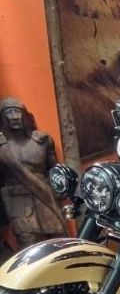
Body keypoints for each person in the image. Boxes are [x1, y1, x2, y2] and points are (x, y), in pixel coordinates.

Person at [0, 97, 66, 249]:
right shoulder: (2, 149)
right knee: (29, 248)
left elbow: (55, 171)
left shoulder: (42, 141)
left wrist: (58, 191)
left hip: (45, 199)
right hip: (19, 206)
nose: (14, 117)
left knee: (61, 243)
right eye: (8, 113)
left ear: (24, 115)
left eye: (17, 112)